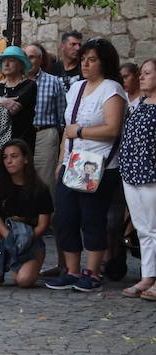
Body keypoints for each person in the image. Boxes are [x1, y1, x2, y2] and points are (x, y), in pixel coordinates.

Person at [46, 37, 127, 293]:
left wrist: (80, 131)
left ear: (104, 63)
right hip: (73, 162)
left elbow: (112, 129)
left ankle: (91, 272)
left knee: (92, 218)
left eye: (92, 60)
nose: (86, 64)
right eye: (83, 59)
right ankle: (70, 270)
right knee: (66, 217)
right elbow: (65, 131)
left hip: (99, 163)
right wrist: (61, 161)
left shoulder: (112, 89)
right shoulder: (76, 88)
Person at [0, 140, 52, 288]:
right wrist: (9, 236)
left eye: (14, 156)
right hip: (5, 233)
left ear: (26, 159)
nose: (9, 161)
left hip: (30, 238)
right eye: (5, 157)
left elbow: (43, 224)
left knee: (23, 281)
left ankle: (31, 261)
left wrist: (25, 238)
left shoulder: (40, 188)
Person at [118, 58, 156, 300]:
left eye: (147, 73)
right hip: (132, 172)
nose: (141, 77)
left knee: (154, 228)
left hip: (151, 173)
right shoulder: (140, 103)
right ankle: (148, 276)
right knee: (142, 229)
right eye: (141, 73)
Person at [25, 43, 67, 194]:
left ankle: (46, 217)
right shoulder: (18, 81)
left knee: (46, 180)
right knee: (22, 178)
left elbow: (62, 115)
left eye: (32, 57)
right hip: (22, 134)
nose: (28, 61)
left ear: (41, 60)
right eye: (25, 57)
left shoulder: (54, 82)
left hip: (45, 133)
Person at [0, 46, 38, 154]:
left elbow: (14, 108)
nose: (6, 64)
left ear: (21, 65)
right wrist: (3, 101)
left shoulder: (29, 85)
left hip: (20, 143)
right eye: (4, 60)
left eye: (11, 60)